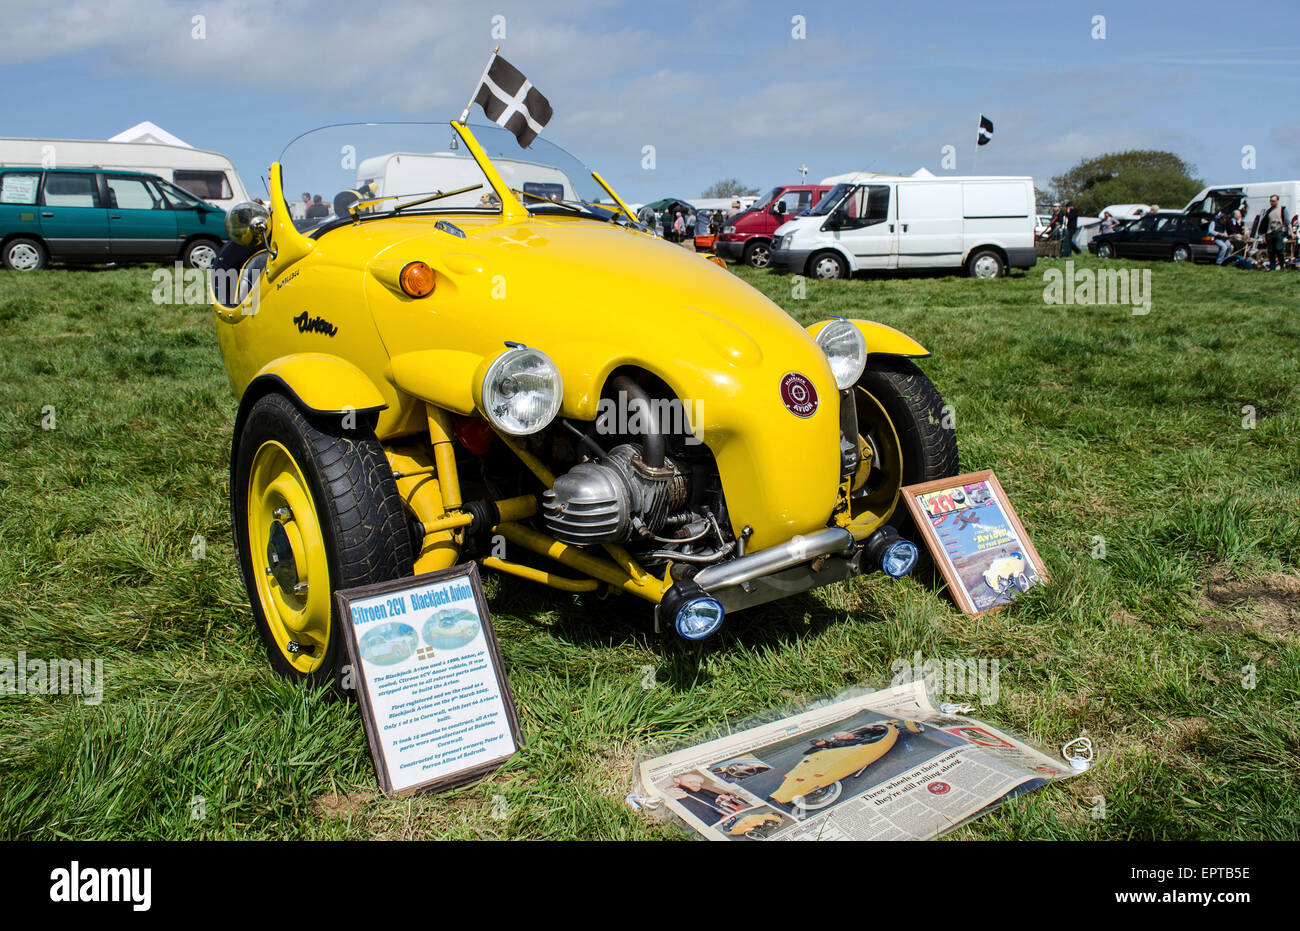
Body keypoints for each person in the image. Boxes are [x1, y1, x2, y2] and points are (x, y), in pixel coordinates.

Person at [1260, 195, 1289, 271]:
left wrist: (1291, 232)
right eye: (1270, 201)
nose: (1271, 202)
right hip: (1269, 233)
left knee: (1279, 249)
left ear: (1277, 201)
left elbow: (1287, 222)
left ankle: (1282, 265)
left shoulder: (1282, 209)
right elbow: (1265, 224)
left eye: (1273, 201)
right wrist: (1264, 235)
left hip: (1279, 231)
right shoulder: (1268, 211)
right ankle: (1272, 267)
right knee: (1270, 251)